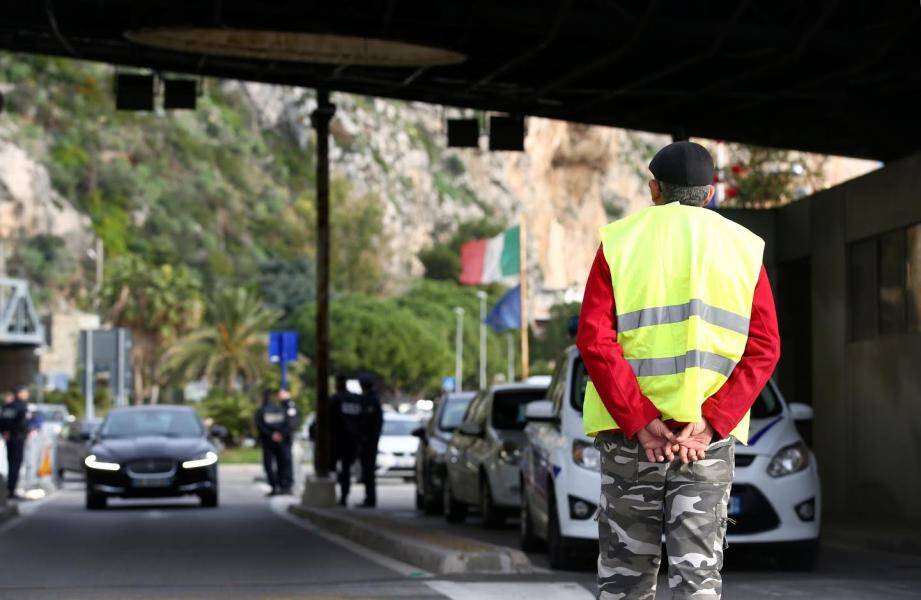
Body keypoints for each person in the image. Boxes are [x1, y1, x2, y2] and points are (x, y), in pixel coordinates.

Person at [576, 141, 780, 600]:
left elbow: (595, 339)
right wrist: (711, 423)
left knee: (625, 580)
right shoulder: (745, 249)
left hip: (632, 440)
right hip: (702, 443)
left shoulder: (620, 242)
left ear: (654, 190)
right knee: (698, 580)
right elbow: (764, 347)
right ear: (710, 194)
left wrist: (641, 420)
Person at [254, 388, 294, 496]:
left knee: (270, 464)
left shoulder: (262, 410)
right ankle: (281, 486)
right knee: (282, 463)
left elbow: (260, 425)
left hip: (269, 441)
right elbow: (289, 424)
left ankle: (276, 486)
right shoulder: (282, 409)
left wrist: (272, 434)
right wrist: (279, 434)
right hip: (280, 441)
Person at [351, 374, 382, 508]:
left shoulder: (371, 400)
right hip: (367, 440)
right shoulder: (368, 399)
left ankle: (370, 499)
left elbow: (370, 422)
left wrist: (366, 437)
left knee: (368, 471)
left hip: (368, 441)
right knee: (367, 470)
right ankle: (369, 498)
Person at [329, 375, 359, 506]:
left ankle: (335, 496)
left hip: (336, 439)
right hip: (351, 440)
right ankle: (344, 496)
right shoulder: (354, 400)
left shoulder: (335, 399)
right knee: (346, 469)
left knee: (332, 469)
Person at [0, 386, 31, 500]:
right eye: (25, 392)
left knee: (10, 463)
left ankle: (10, 488)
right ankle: (11, 490)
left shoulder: (7, 406)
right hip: (17, 438)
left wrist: (5, 432)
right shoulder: (21, 406)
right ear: (20, 393)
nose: (27, 395)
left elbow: (2, 420)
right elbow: (21, 423)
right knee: (16, 464)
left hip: (9, 438)